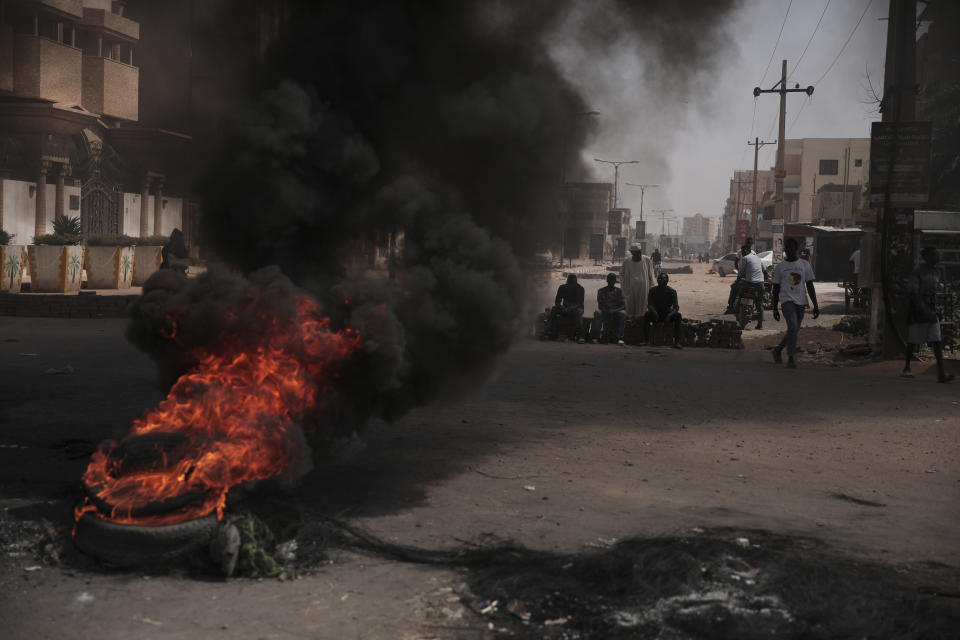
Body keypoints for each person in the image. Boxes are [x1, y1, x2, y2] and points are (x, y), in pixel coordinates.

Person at [902, 247, 953, 383]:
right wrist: (923, 309)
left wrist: (935, 311)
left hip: (931, 311)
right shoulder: (917, 272)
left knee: (936, 340)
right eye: (934, 254)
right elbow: (913, 293)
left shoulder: (936, 272)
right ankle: (907, 366)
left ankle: (941, 373)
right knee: (913, 341)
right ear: (927, 257)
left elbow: (933, 294)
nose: (937, 256)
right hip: (918, 312)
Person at [771, 238, 819, 368]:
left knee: (794, 330)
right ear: (785, 250)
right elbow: (775, 288)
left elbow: (810, 285)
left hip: (801, 302)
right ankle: (791, 357)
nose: (790, 251)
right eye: (787, 248)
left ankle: (778, 350)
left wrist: (816, 305)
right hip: (787, 301)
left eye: (792, 248)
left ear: (796, 249)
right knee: (792, 327)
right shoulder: (780, 267)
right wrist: (775, 307)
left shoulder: (804, 265)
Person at [725, 244, 764, 329]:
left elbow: (740, 272)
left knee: (738, 292)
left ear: (746, 251)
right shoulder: (758, 258)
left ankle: (732, 308)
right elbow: (764, 270)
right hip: (760, 284)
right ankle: (760, 324)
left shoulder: (745, 258)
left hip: (749, 283)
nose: (742, 253)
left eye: (743, 251)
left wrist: (738, 279)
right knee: (759, 303)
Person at [644, 272, 683, 349]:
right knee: (647, 315)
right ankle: (646, 340)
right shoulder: (653, 290)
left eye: (662, 278)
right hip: (656, 314)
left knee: (678, 316)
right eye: (658, 278)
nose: (660, 280)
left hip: (667, 314)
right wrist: (654, 312)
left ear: (667, 280)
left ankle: (677, 342)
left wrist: (670, 315)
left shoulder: (672, 291)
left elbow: (676, 307)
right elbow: (649, 305)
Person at [547, 274, 586, 343]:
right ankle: (551, 332)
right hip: (565, 308)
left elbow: (579, 303)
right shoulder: (562, 287)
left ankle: (580, 336)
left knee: (578, 313)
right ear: (567, 280)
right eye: (570, 281)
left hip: (576, 308)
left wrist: (570, 308)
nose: (571, 283)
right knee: (554, 310)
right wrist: (561, 307)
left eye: (573, 281)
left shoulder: (580, 288)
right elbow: (557, 301)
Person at [591, 273, 627, 345]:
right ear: (607, 280)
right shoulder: (601, 291)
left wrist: (613, 311)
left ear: (615, 281)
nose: (611, 281)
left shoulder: (619, 291)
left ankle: (620, 338)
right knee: (597, 313)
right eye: (610, 279)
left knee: (623, 314)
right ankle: (596, 337)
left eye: (613, 280)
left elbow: (623, 305)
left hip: (616, 311)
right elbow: (600, 305)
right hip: (605, 310)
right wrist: (606, 311)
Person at [622, 242, 657, 317]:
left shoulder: (647, 260)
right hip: (630, 289)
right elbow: (622, 275)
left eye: (639, 252)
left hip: (643, 289)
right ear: (632, 252)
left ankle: (641, 322)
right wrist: (624, 288)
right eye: (636, 253)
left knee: (642, 307)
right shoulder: (626, 261)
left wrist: (653, 288)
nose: (638, 254)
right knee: (630, 308)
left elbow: (651, 274)